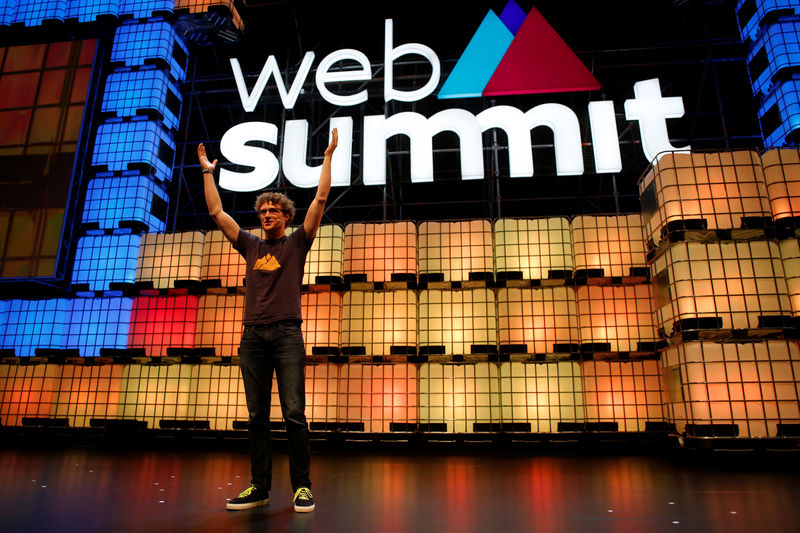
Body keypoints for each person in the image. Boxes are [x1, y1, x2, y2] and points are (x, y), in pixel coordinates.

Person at [197, 128, 338, 513]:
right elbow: (216, 214)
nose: (267, 216)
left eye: (274, 211)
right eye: (262, 212)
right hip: (253, 338)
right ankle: (259, 487)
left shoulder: (297, 243)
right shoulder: (250, 245)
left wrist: (327, 158)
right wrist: (208, 172)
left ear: (286, 216)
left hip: (288, 335)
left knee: (294, 413)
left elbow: (321, 198)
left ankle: (302, 487)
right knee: (257, 416)